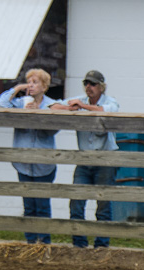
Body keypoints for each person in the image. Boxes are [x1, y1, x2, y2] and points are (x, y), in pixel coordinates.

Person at [51, 70, 120, 248]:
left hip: (105, 159)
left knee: (103, 203)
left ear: (101, 87)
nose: (89, 87)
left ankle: (101, 246)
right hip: (84, 159)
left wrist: (83, 106)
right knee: (76, 201)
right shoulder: (79, 100)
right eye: (86, 83)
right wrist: (70, 108)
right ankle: (79, 244)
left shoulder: (109, 101)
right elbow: (52, 106)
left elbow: (109, 110)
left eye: (93, 84)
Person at [0, 68, 60, 244]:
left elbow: (54, 129)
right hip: (23, 164)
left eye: (35, 82)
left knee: (42, 205)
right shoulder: (20, 102)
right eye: (29, 82)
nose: (31, 86)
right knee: (29, 206)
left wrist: (38, 115)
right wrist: (17, 89)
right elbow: (1, 105)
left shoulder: (52, 104)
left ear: (44, 86)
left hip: (44, 164)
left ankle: (44, 243)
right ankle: (30, 243)